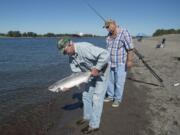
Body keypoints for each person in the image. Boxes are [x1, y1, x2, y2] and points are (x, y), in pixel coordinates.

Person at [57, 37, 110, 134]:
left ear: (70, 44)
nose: (66, 54)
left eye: (65, 51)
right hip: (89, 74)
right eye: (63, 53)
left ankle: (94, 125)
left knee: (97, 98)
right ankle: (87, 117)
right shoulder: (71, 58)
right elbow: (76, 74)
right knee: (86, 95)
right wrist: (68, 86)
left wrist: (97, 68)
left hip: (103, 69)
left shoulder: (84, 48)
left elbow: (105, 54)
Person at [103, 19, 134, 107]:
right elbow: (107, 49)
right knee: (109, 81)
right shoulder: (108, 36)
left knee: (119, 82)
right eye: (106, 27)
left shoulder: (124, 32)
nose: (107, 29)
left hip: (121, 63)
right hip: (109, 63)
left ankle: (117, 99)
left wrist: (129, 60)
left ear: (114, 24)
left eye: (108, 27)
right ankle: (110, 95)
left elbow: (130, 48)